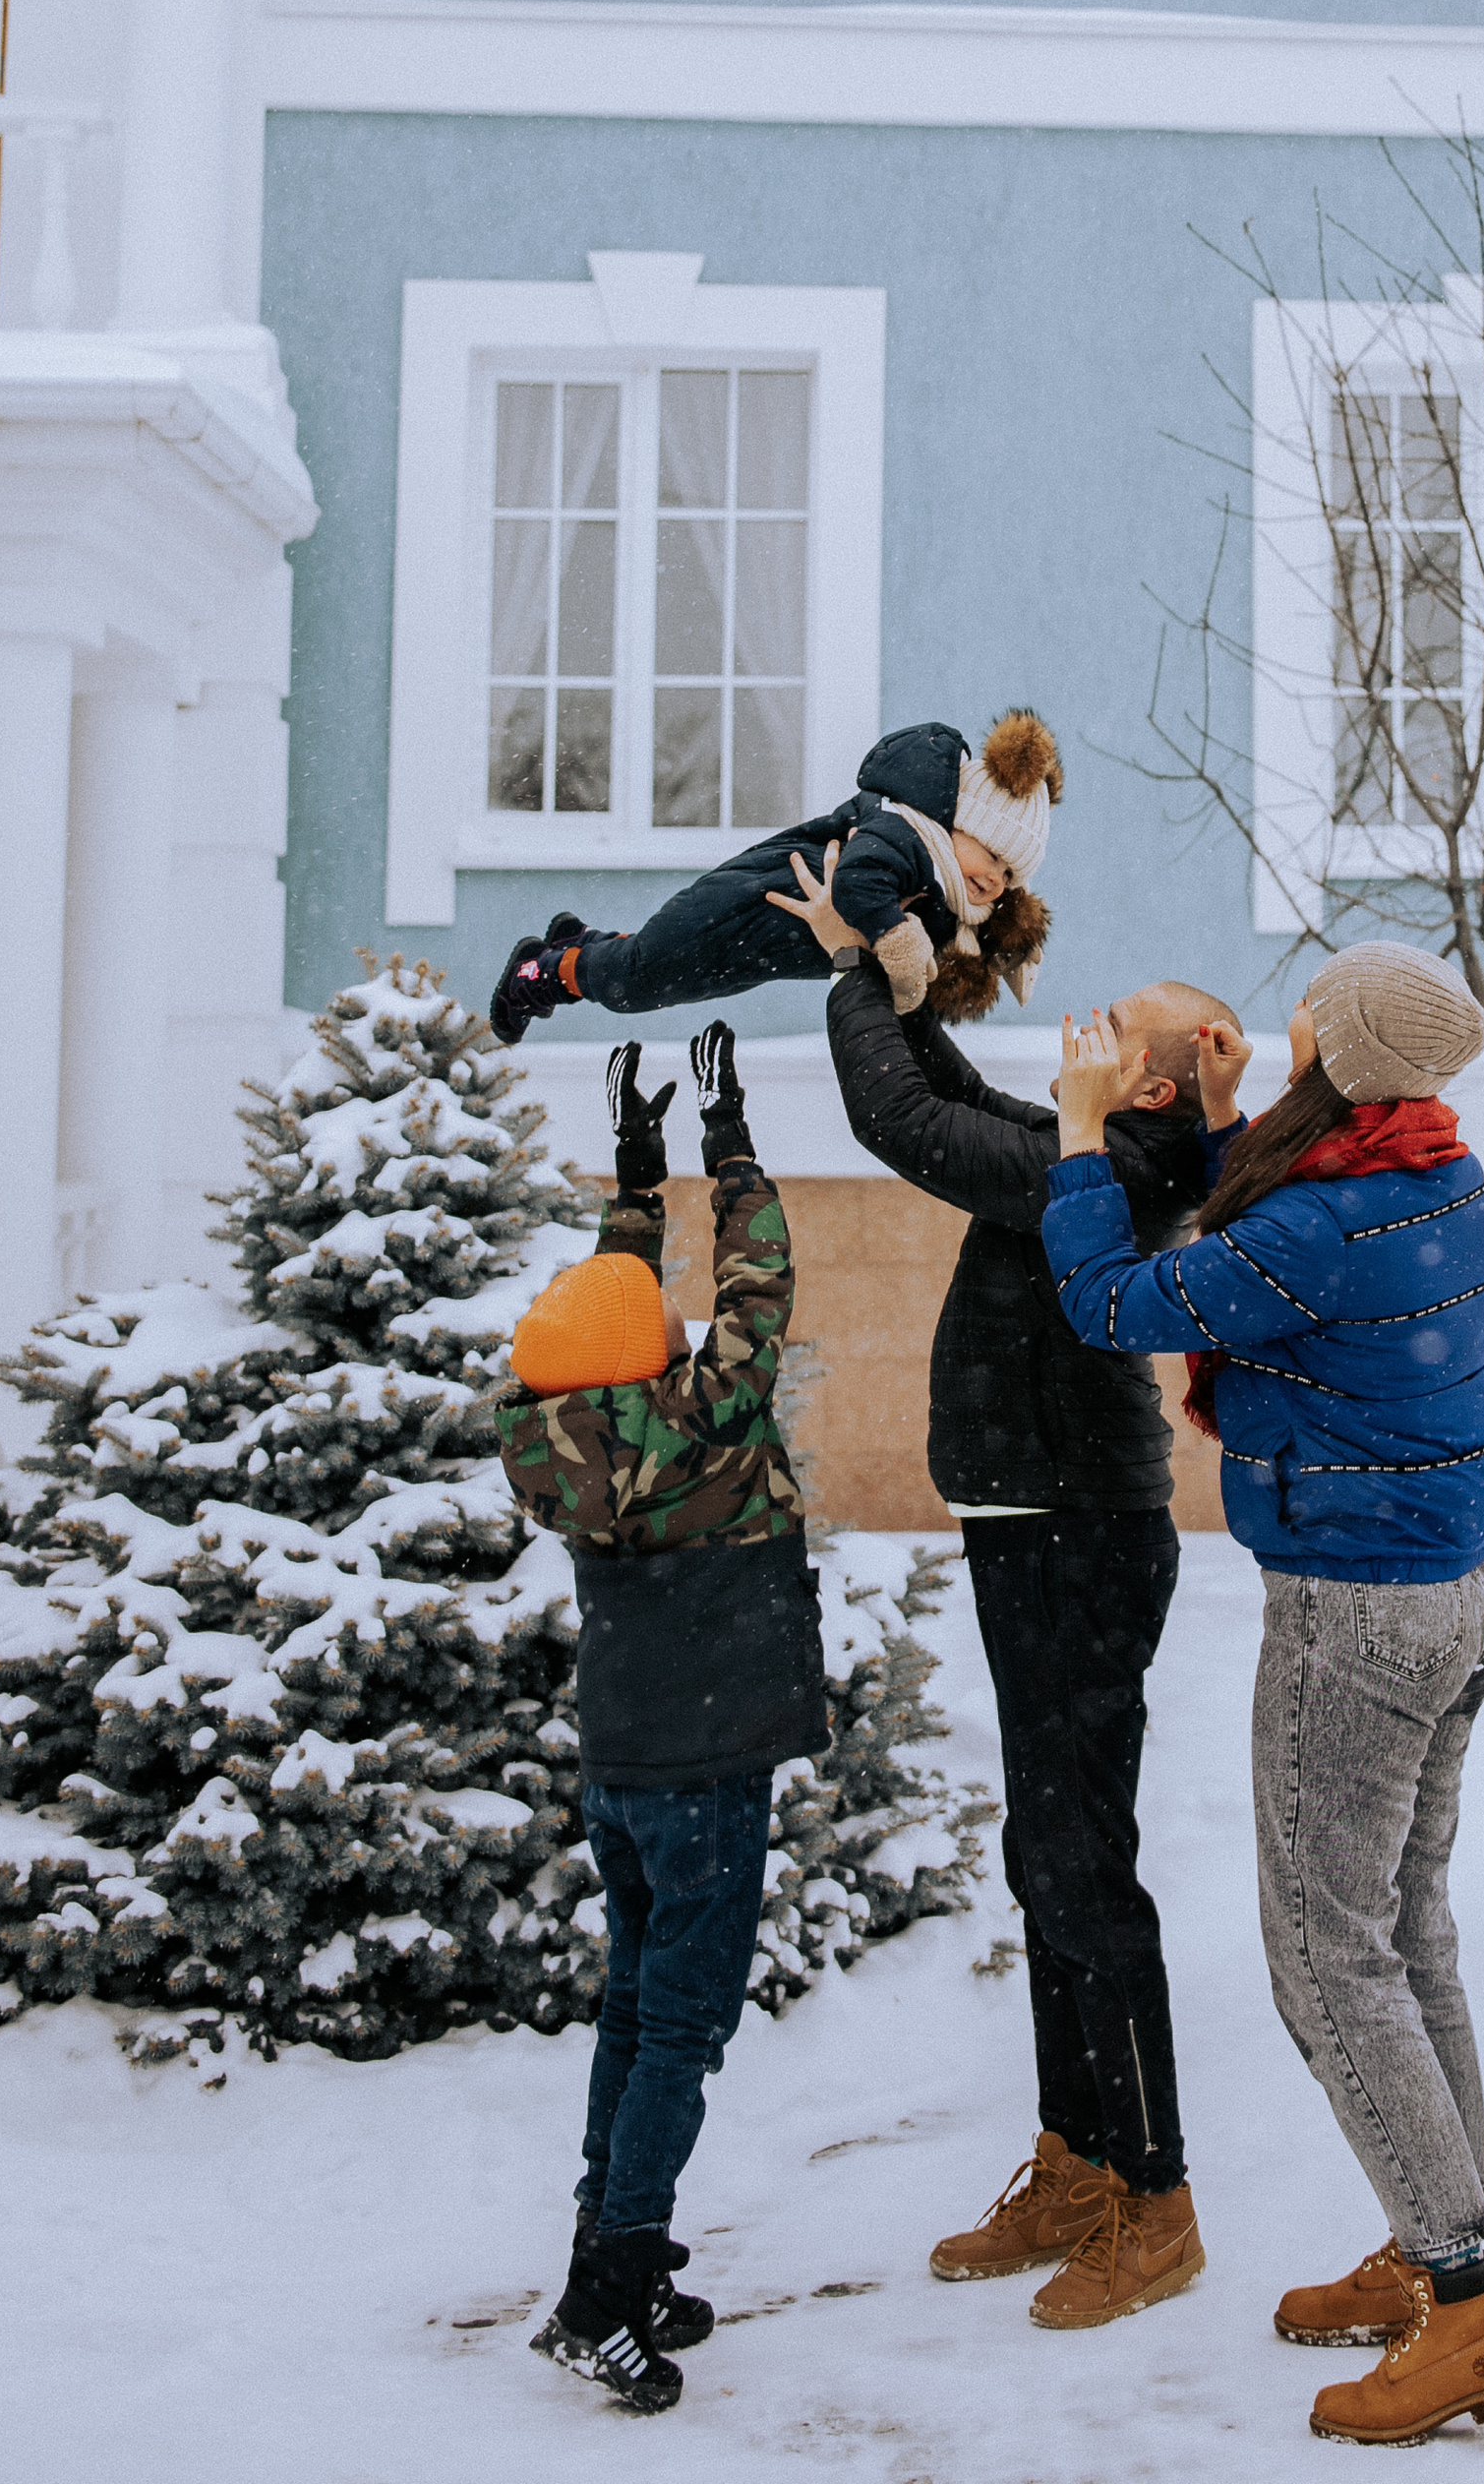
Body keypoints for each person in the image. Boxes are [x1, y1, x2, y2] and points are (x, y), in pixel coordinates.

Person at [1039, 942, 1484, 2447]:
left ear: (1341, 1051)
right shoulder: (1428, 1169)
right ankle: (1432, 2242)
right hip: (1456, 1596)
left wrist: (1081, 1137)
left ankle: (1466, 2306)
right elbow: (1273, 1219)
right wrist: (1222, 1121)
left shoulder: (1327, 1218)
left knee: (1326, 1963)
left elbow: (1125, 1302)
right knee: (1409, 1935)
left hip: (1358, 1620)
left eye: (1311, 1012)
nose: (1290, 1017)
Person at [767, 833, 1218, 2331]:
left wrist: (847, 974)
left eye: (1108, 1028)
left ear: (1152, 1085)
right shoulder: (1098, 1145)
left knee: (1086, 1866)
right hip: (1038, 1525)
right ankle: (1079, 2158)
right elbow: (947, 1093)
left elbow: (909, 1131)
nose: (1078, 1031)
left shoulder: (1121, 1161)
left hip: (1080, 1538)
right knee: (1047, 1856)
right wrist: (897, 982)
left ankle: (1154, 2198)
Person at [495, 1025, 828, 2416]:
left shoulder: (556, 1431)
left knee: (633, 2017)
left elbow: (612, 1305)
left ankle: (608, 2245)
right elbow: (764, 1279)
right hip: (708, 1764)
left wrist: (634, 1179)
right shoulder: (709, 1412)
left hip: (627, 1757)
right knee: (681, 2027)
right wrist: (726, 1141)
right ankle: (605, 2289)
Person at [488, 708, 1063, 1042]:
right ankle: (541, 971)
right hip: (740, 906)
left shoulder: (943, 881)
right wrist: (898, 937)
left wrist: (1008, 939)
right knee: (632, 984)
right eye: (990, 853)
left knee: (656, 974)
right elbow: (859, 884)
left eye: (1013, 872)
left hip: (759, 949)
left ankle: (579, 943)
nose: (996, 877)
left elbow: (954, 930)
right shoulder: (905, 833)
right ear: (957, 822)